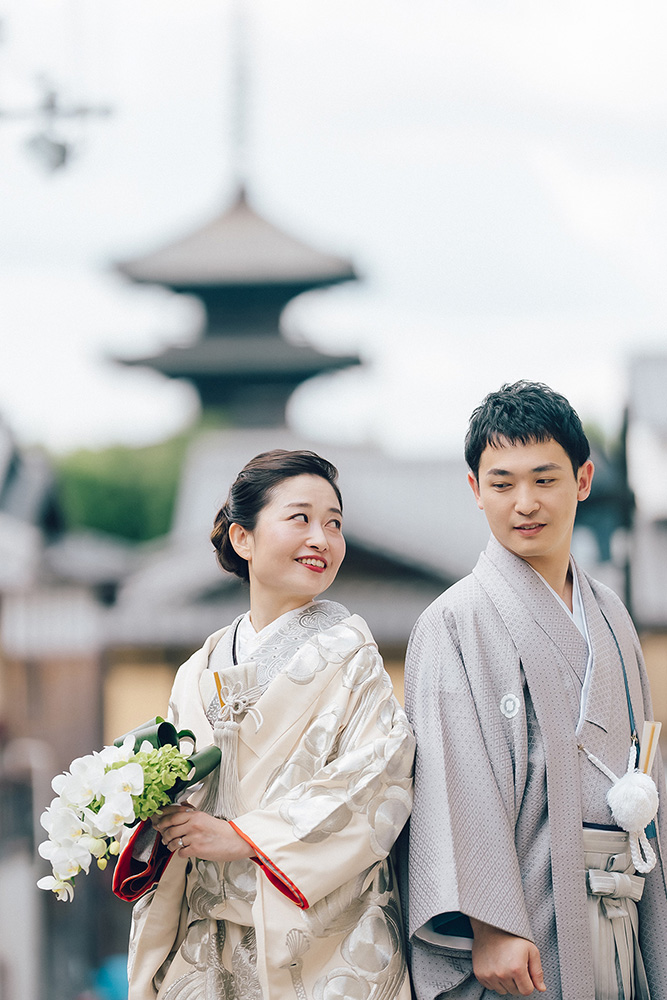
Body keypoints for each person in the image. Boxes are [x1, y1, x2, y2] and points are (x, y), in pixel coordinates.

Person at [403, 382, 667, 1000]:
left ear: (583, 480)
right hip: (525, 915)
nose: (525, 503)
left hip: (620, 901)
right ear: (475, 490)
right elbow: (450, 776)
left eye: (545, 479)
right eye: (502, 483)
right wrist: (489, 923)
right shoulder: (454, 620)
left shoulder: (612, 615)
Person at [128, 449, 415, 1000]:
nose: (322, 539)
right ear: (243, 539)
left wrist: (242, 836)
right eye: (300, 518)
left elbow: (379, 779)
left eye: (334, 524)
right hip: (207, 937)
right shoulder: (197, 671)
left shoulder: (352, 657)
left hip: (310, 937)